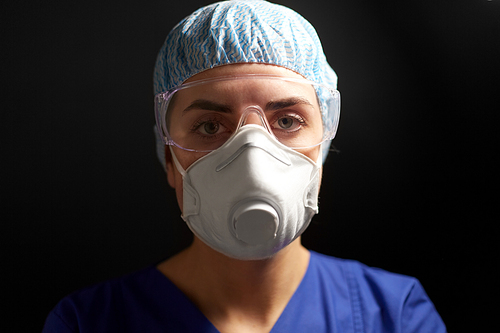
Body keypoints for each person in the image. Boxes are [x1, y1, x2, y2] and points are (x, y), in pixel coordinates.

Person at [43, 1, 446, 332]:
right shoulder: (88, 322)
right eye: (209, 125)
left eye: (287, 121)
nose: (252, 156)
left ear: (323, 148)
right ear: (168, 157)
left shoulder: (395, 315)